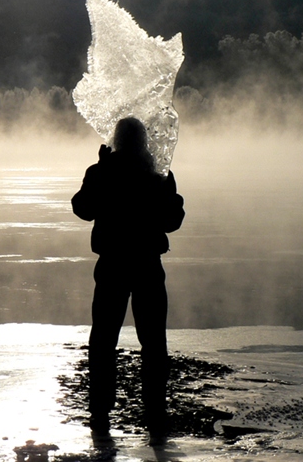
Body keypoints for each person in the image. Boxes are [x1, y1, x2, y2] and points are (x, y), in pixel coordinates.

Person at [71, 117, 185, 441]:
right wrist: (169, 194)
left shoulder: (104, 172)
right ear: (144, 142)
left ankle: (100, 410)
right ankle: (155, 411)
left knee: (103, 341)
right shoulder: (157, 175)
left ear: (117, 140)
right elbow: (172, 220)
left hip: (112, 265)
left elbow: (82, 207)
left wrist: (101, 171)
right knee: (153, 343)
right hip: (147, 265)